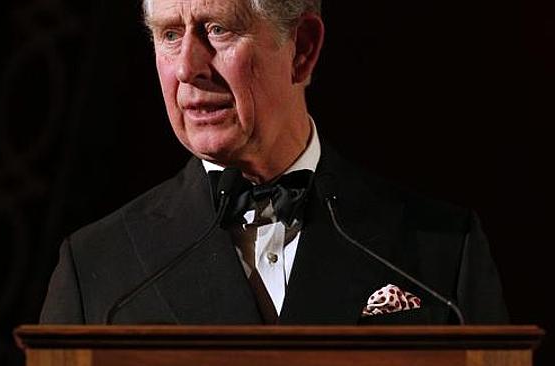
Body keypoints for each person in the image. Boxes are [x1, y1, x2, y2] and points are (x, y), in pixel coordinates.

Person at [40, 0, 508, 325]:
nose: (187, 67)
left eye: (217, 29)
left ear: (302, 48)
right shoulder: (96, 266)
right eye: (169, 35)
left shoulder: (442, 250)